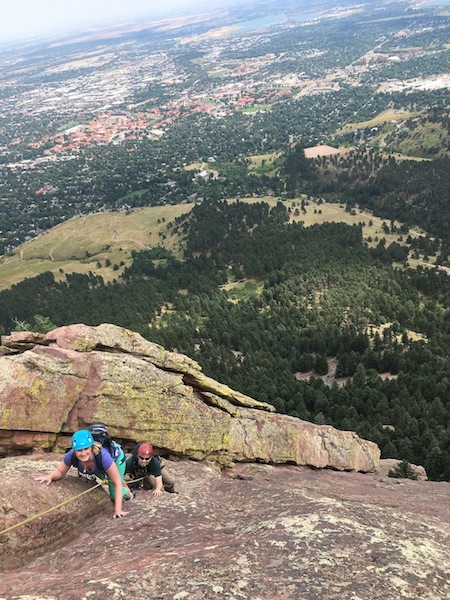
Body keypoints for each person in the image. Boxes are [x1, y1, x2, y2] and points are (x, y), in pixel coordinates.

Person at [35, 429, 133, 518]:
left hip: (116, 460)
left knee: (114, 493)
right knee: (107, 478)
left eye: (86, 449)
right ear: (74, 450)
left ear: (91, 447)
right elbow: (61, 471)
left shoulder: (103, 456)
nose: (83, 453)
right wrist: (50, 476)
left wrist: (118, 510)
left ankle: (129, 493)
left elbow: (117, 483)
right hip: (100, 468)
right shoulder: (71, 455)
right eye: (79, 450)